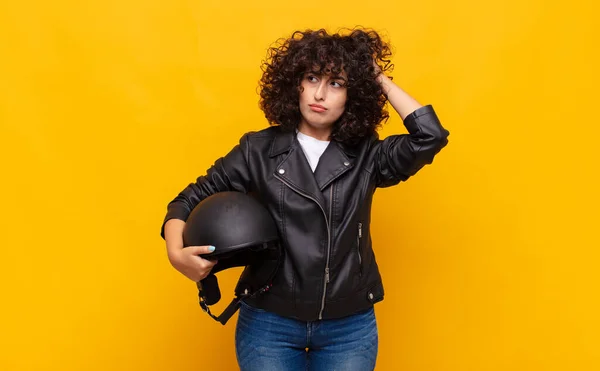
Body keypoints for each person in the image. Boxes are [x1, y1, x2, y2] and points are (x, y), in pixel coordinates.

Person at [160, 27, 450, 371]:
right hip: (270, 324)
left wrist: (375, 76)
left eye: (337, 83)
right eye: (312, 77)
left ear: (353, 95)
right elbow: (187, 200)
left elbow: (429, 136)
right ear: (294, 84)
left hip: (349, 327)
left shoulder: (368, 155)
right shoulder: (257, 150)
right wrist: (176, 254)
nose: (320, 93)